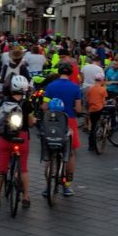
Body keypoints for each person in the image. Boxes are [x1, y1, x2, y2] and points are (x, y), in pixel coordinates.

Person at [0, 75, 35, 208]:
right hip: (22, 138)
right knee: (23, 169)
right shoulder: (27, 104)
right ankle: (26, 198)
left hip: (5, 138)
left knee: (1, 169)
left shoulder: (4, 101)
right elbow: (31, 123)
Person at [43, 63, 82, 196]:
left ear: (59, 72)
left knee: (49, 152)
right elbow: (78, 109)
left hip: (52, 121)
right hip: (68, 121)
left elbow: (44, 106)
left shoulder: (51, 86)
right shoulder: (75, 88)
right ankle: (67, 185)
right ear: (71, 73)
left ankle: (47, 184)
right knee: (70, 153)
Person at [86, 71, 107, 153]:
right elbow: (103, 102)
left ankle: (91, 145)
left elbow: (88, 100)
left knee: (93, 127)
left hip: (92, 109)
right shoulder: (103, 89)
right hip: (99, 108)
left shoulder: (90, 89)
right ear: (102, 80)